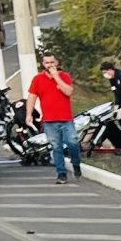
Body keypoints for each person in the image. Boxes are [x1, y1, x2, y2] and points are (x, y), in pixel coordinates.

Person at [27, 52, 81, 182]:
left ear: (56, 63)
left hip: (66, 119)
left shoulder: (64, 76)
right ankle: (61, 174)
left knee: (73, 142)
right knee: (56, 147)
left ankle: (76, 163)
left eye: (52, 62)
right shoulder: (37, 79)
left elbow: (68, 91)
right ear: (43, 64)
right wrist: (29, 114)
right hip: (49, 120)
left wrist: (56, 77)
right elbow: (32, 97)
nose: (50, 65)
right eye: (47, 63)